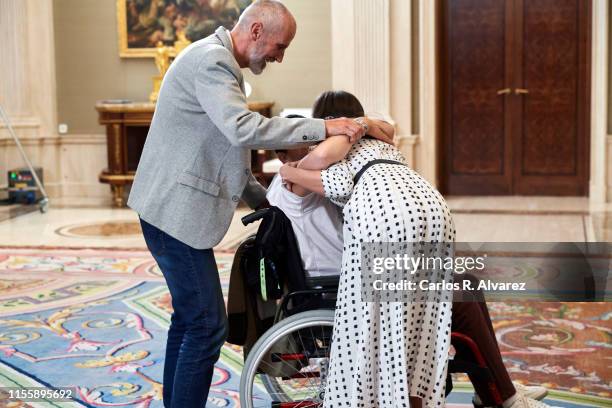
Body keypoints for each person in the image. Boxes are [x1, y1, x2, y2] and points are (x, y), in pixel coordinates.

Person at [128, 2, 391, 407]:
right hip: (173, 213)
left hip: (168, 208)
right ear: (255, 31)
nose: (280, 56)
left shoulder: (218, 62)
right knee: (206, 325)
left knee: (188, 320)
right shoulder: (213, 62)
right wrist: (325, 126)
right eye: (279, 46)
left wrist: (274, 203)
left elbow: (229, 160)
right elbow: (242, 130)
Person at [278, 92, 555, 408]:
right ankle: (501, 395)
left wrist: (348, 133)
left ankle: (496, 390)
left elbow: (363, 148)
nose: (311, 144)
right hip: (341, 277)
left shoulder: (329, 164)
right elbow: (327, 174)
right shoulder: (300, 179)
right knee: (461, 296)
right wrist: (300, 164)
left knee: (467, 285)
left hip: (375, 260)